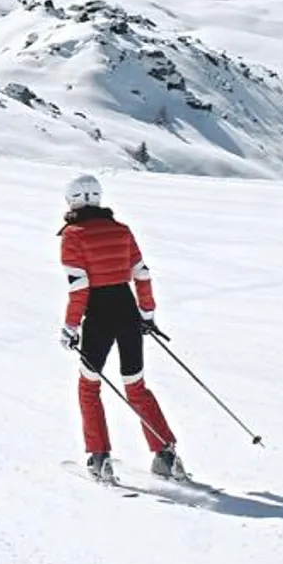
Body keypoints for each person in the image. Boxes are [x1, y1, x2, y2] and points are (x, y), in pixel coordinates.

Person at [57, 174, 184, 483]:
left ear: (71, 201)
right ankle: (165, 455)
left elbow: (80, 287)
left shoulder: (73, 235)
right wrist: (147, 313)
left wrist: (71, 326)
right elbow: (141, 274)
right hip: (128, 314)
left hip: (98, 318)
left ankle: (99, 458)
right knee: (135, 385)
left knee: (89, 385)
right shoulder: (121, 230)